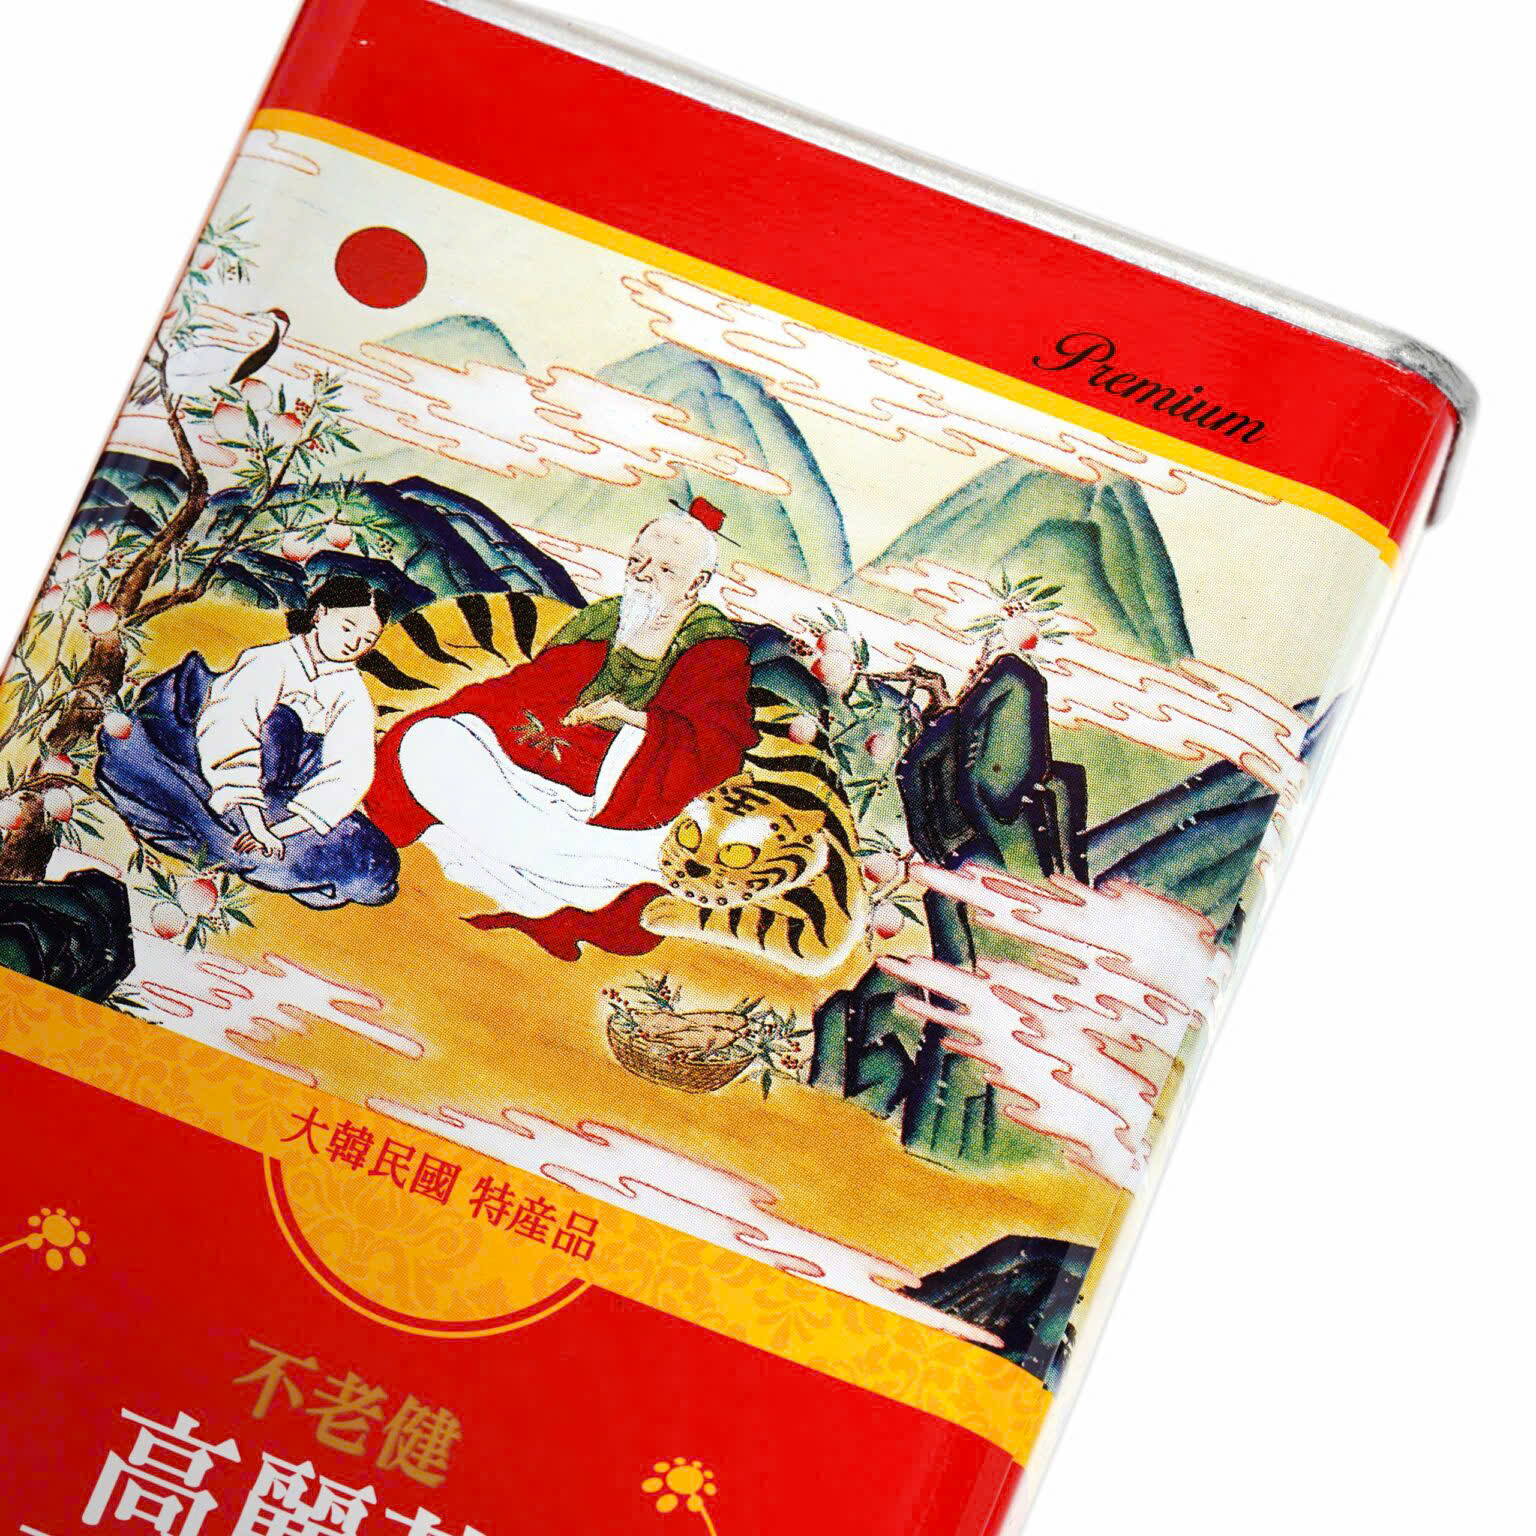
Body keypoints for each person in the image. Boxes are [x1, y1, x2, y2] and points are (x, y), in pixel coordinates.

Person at [365, 499, 757, 958]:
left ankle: (563, 860)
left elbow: (715, 747)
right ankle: (569, 866)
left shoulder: (714, 647)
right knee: (426, 741)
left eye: (665, 570)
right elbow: (534, 682)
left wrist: (633, 720)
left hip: (615, 788)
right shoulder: (605, 617)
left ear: (698, 583)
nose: (644, 575)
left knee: (652, 847)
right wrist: (465, 711)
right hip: (523, 757)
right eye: (638, 561)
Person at [97, 575, 400, 909]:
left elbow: (349, 770)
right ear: (320, 614)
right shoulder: (269, 661)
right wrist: (256, 824)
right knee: (280, 725)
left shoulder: (351, 691)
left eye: (367, 639)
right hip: (212, 768)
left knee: (372, 865)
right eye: (347, 627)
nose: (354, 644)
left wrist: (280, 830)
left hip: (287, 791)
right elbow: (229, 731)